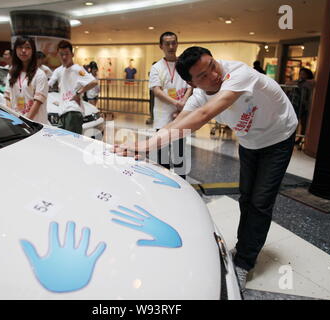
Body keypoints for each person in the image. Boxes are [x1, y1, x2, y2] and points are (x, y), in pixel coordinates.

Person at [113, 46, 298, 291]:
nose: (213, 75)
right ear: (192, 83)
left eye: (212, 66)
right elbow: (178, 123)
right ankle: (245, 246)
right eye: (202, 76)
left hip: (279, 135)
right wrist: (144, 145)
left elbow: (205, 114)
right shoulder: (199, 96)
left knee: (261, 201)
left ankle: (243, 261)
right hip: (250, 141)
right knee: (247, 197)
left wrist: (146, 146)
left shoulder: (239, 73)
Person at [148, 31, 192, 179]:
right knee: (162, 157)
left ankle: (182, 186)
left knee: (180, 155)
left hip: (182, 117)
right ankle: (165, 184)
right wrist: (176, 103)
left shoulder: (184, 64)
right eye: (167, 43)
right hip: (163, 119)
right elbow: (156, 90)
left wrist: (183, 102)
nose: (171, 46)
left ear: (177, 44)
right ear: (161, 46)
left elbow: (191, 85)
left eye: (174, 43)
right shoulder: (157, 67)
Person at [48, 40, 98, 134]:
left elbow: (94, 82)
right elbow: (50, 84)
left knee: (73, 143)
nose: (64, 57)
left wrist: (78, 93)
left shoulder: (77, 69)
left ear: (72, 54)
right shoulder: (59, 70)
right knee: (67, 143)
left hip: (73, 112)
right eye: (61, 54)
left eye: (67, 54)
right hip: (63, 112)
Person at [4, 36, 49, 124]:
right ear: (15, 50)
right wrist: (13, 118)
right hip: (17, 123)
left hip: (35, 124)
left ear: (33, 51)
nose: (23, 50)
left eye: (27, 47)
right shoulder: (11, 73)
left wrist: (25, 122)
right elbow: (8, 98)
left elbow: (38, 102)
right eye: (20, 47)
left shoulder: (39, 74)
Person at [287, 67, 315, 143]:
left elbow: (311, 83)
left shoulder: (309, 82)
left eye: (303, 74)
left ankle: (300, 139)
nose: (301, 75)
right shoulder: (299, 81)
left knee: (303, 123)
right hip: (296, 104)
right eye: (300, 74)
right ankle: (292, 138)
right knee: (294, 122)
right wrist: (299, 82)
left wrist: (301, 83)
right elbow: (288, 83)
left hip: (305, 106)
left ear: (307, 75)